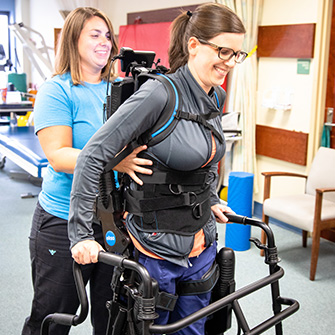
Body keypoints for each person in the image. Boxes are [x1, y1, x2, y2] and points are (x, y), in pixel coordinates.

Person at [68, 3, 247, 335]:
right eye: (224, 50)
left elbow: (205, 158)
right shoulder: (159, 95)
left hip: (201, 243)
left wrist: (210, 199)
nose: (230, 61)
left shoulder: (215, 95)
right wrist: (79, 235)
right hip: (156, 246)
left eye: (238, 53)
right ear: (194, 45)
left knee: (194, 329)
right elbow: (92, 156)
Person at [22, 7, 152, 335]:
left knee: (114, 318)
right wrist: (115, 161)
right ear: (73, 41)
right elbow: (58, 155)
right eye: (94, 35)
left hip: (114, 219)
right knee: (53, 314)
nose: (104, 42)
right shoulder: (58, 90)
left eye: (108, 35)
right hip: (62, 219)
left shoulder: (124, 90)